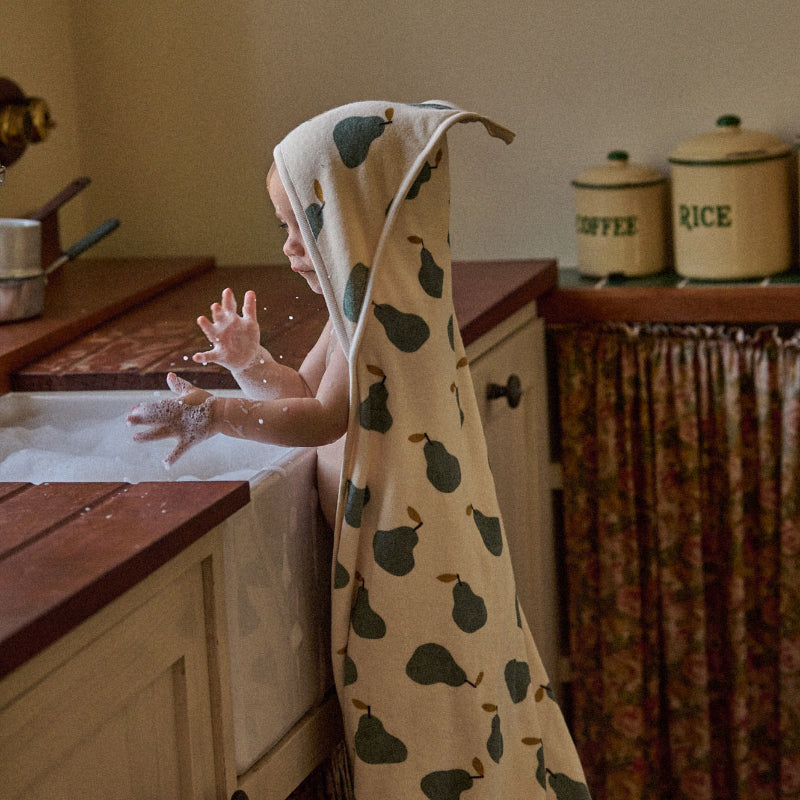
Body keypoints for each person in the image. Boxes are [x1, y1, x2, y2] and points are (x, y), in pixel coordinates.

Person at [130, 100, 590, 799]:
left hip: (412, 571)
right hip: (416, 550)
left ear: (355, 221)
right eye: (283, 228)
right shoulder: (363, 310)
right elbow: (303, 393)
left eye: (302, 225)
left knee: (424, 721)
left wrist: (214, 412)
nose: (289, 248)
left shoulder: (374, 319)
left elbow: (320, 420)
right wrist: (251, 364)